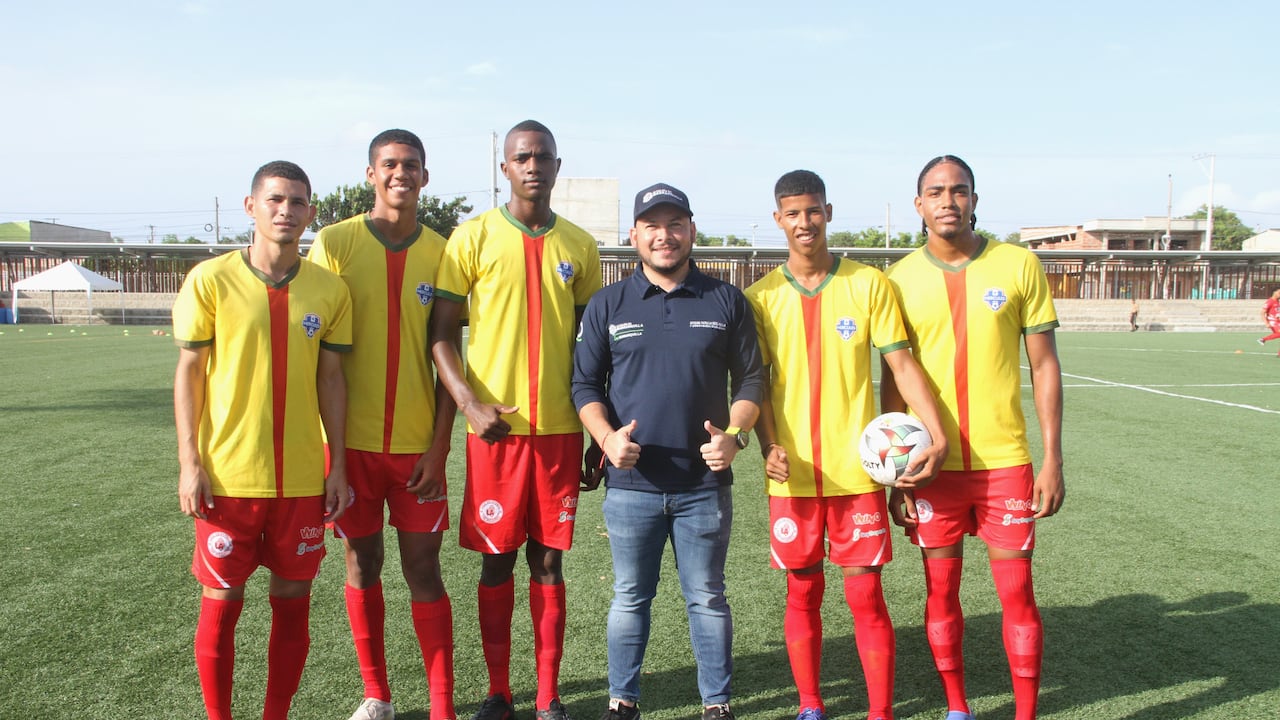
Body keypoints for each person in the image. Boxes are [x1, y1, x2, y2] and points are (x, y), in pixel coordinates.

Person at [745, 170, 948, 720]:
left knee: (865, 597)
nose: (804, 222)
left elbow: (902, 367)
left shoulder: (868, 284)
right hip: (792, 477)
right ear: (778, 220)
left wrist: (935, 434)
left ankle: (879, 712)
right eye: (792, 213)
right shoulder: (760, 298)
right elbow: (754, 382)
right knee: (803, 595)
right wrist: (767, 444)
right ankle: (811, 706)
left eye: (812, 211)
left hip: (861, 474)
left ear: (828, 213)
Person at [880, 155, 1065, 720]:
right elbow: (891, 380)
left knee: (1017, 595)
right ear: (919, 205)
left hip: (1005, 463)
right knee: (941, 594)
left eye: (959, 190)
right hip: (932, 470)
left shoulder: (1019, 264)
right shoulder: (899, 279)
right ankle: (957, 707)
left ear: (975, 200)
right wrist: (896, 475)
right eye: (935, 191)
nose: (948, 201)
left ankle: (1026, 713)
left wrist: (1051, 458)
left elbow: (1046, 365)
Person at [429, 119, 602, 720]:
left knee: (548, 559)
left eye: (543, 156)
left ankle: (550, 696)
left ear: (557, 165)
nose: (533, 165)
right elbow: (441, 335)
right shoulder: (471, 237)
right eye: (521, 157)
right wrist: (470, 404)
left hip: (558, 431)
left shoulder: (580, 246)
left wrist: (596, 432)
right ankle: (499, 692)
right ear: (505, 167)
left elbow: (592, 350)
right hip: (494, 432)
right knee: (496, 557)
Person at [573, 183, 764, 720]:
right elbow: (584, 386)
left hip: (703, 487)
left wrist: (735, 435)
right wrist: (607, 439)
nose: (664, 235)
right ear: (634, 234)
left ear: (691, 231)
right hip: (632, 487)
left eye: (675, 223)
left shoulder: (725, 298)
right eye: (652, 225)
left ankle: (717, 705)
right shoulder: (609, 303)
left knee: (706, 597)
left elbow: (752, 380)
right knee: (630, 597)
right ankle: (622, 700)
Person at [173, 160, 352, 720]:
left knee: (292, 606)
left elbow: (331, 380)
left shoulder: (330, 290)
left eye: (298, 202)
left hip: (301, 479)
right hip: (228, 479)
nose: (286, 211)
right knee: (222, 605)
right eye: (275, 199)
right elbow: (189, 373)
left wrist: (338, 466)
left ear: (311, 214)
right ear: (251, 207)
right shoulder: (210, 279)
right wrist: (189, 461)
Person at [308, 129, 458, 720]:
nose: (401, 174)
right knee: (360, 563)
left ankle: (442, 706)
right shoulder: (335, 242)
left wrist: (442, 446)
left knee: (424, 567)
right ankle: (378, 696)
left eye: (412, 165)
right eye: (389, 164)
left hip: (418, 446)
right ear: (370, 173)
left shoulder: (444, 250)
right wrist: (334, 456)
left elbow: (449, 351)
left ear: (425, 176)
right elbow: (319, 353)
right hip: (349, 448)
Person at [1257, 288, 1280, 354]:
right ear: (1274, 293)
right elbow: (1262, 313)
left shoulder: (1277, 301)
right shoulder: (1269, 302)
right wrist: (1266, 323)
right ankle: (1263, 339)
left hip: (1278, 321)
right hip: (1272, 321)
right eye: (1279, 293)